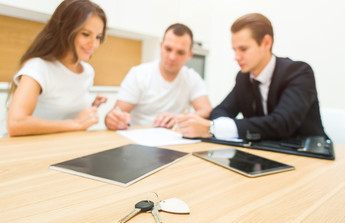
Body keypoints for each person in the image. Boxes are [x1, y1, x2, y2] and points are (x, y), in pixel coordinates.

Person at [177, 13, 326, 140]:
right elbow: (220, 111)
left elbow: (282, 123)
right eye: (234, 50)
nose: (236, 57)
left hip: (306, 156)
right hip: (265, 156)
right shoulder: (244, 78)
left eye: (243, 49)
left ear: (266, 43)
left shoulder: (298, 73)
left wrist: (213, 128)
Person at [7, 0, 108, 137]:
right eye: (85, 34)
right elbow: (16, 124)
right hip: (30, 149)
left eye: (98, 37)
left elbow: (61, 111)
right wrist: (76, 124)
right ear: (65, 31)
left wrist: (92, 107)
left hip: (64, 146)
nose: (94, 44)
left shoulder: (88, 71)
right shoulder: (38, 68)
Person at [105, 23, 212, 130]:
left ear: (190, 55)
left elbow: (207, 111)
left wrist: (181, 118)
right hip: (140, 140)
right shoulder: (138, 74)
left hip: (177, 141)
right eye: (168, 49)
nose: (172, 57)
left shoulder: (192, 78)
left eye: (180, 52)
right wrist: (113, 120)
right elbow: (117, 113)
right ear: (161, 46)